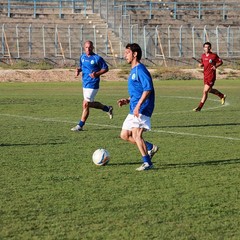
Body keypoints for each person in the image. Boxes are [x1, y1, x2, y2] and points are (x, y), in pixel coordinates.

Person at [117, 43, 158, 171]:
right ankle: (150, 147)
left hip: (143, 107)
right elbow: (138, 91)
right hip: (134, 107)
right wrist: (128, 100)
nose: (125, 55)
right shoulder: (133, 70)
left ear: (135, 54)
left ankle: (147, 163)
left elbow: (148, 89)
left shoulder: (140, 69)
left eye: (127, 53)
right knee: (124, 135)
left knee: (136, 134)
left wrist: (138, 105)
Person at [71, 40, 113, 131]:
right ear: (84, 48)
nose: (88, 49)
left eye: (90, 47)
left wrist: (97, 74)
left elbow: (106, 68)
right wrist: (79, 70)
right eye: (86, 47)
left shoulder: (97, 58)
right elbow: (83, 67)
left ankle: (80, 126)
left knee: (86, 104)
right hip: (85, 83)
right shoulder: (82, 57)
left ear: (93, 48)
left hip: (93, 84)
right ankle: (107, 108)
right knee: (88, 104)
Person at [194, 42, 226, 112]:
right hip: (205, 75)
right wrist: (200, 65)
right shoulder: (203, 56)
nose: (207, 48)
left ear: (210, 48)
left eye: (208, 47)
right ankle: (221, 95)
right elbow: (203, 64)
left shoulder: (214, 55)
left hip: (211, 76)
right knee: (209, 90)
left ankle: (199, 107)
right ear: (203, 48)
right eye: (205, 47)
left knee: (205, 91)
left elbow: (221, 62)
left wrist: (216, 66)